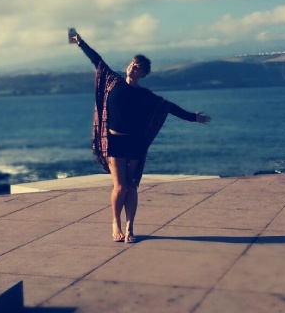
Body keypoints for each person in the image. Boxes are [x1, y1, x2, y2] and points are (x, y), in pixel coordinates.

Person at [70, 30, 211, 243]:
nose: (133, 67)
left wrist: (193, 117)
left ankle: (130, 228)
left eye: (138, 67)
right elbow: (97, 60)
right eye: (132, 64)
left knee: (132, 185)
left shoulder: (145, 96)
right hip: (115, 141)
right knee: (120, 186)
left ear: (143, 75)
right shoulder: (112, 81)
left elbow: (168, 107)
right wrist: (80, 42)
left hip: (134, 143)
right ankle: (115, 222)